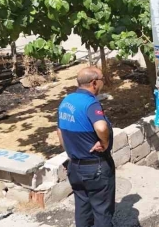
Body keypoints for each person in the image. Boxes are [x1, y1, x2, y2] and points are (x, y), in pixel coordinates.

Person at [56, 67, 115, 227]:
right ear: (94, 82)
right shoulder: (90, 103)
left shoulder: (66, 101)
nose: (104, 82)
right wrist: (105, 143)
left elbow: (60, 131)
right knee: (102, 211)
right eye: (103, 79)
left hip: (75, 167)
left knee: (82, 209)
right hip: (95, 168)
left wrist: (70, 152)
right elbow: (101, 128)